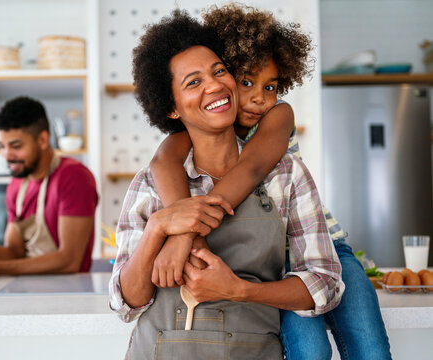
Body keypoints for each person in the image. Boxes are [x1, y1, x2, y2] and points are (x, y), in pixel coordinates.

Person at [149, 4, 391, 359]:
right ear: (228, 77)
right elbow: (163, 159)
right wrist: (175, 227)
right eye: (246, 82)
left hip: (326, 249)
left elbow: (252, 167)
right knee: (309, 352)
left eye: (271, 86)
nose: (260, 96)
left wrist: (185, 236)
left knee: (371, 349)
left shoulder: (278, 115)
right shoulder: (202, 129)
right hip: (274, 264)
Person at [109, 10, 343, 359]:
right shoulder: (150, 182)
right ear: (172, 108)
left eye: (220, 72)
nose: (215, 85)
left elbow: (325, 285)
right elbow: (126, 303)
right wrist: (159, 227)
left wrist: (241, 290)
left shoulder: (285, 174)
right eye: (193, 82)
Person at [0, 96, 98, 275]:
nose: (6, 155)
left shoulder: (73, 177)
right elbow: (14, 254)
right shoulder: (17, 184)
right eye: (2, 146)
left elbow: (69, 261)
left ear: (43, 140)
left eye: (15, 146)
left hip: (67, 293)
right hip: (24, 289)